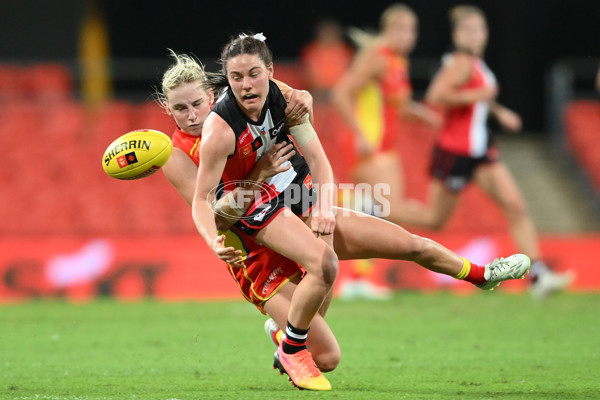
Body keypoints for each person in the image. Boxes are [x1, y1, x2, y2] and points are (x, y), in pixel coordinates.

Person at [160, 42, 529, 391]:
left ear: (213, 93)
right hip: (255, 247)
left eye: (196, 103)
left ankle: (482, 274)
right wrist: (252, 185)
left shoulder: (260, 92)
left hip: (293, 206)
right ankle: (286, 340)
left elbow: (302, 129)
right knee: (328, 353)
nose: (191, 115)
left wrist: (303, 101)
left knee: (408, 244)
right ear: (168, 110)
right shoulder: (191, 148)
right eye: (180, 109)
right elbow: (219, 215)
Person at [393, 5, 573, 298]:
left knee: (516, 205)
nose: (475, 35)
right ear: (457, 34)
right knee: (435, 219)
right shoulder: (461, 62)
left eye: (480, 29)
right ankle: (372, 210)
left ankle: (538, 275)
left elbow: (479, 97)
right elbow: (436, 95)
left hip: (481, 151)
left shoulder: (475, 63)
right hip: (456, 152)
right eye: (469, 30)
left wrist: (499, 112)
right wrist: (479, 96)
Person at [331, 4, 441, 299]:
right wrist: (358, 133)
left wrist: (420, 114)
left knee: (380, 210)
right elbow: (341, 92)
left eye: (412, 29)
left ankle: (358, 278)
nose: (408, 35)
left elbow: (395, 103)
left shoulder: (397, 62)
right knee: (390, 208)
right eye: (401, 28)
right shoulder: (377, 57)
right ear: (387, 30)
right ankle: (352, 275)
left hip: (385, 145)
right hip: (369, 144)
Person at [300, 19, 353, 101]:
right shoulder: (312, 50)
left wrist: (338, 89)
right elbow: (309, 73)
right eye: (326, 33)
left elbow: (350, 72)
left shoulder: (345, 50)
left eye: (331, 32)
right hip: (319, 93)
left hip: (340, 91)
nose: (329, 35)